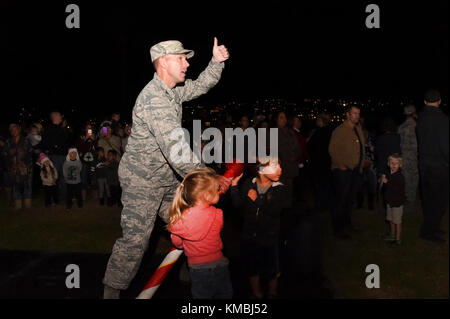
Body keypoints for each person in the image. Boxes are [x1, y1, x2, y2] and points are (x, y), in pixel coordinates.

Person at [103, 38, 230, 298]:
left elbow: (200, 85)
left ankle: (191, 267)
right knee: (136, 241)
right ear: (163, 62)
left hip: (166, 179)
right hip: (142, 182)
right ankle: (111, 291)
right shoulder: (154, 100)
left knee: (190, 221)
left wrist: (216, 62)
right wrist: (210, 178)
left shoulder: (171, 91)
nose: (187, 63)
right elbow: (178, 152)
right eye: (181, 58)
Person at [168, 168, 233, 299]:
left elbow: (178, 243)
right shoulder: (218, 214)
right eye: (216, 189)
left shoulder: (180, 221)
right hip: (220, 264)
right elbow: (217, 229)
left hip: (198, 269)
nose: (219, 191)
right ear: (207, 196)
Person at [230, 158, 286, 299]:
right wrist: (234, 186)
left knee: (272, 268)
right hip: (249, 236)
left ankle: (272, 293)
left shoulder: (279, 188)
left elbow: (275, 211)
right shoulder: (249, 184)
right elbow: (238, 205)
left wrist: (258, 200)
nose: (280, 170)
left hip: (269, 236)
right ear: (261, 170)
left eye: (280, 166)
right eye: (275, 167)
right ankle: (257, 294)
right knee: (252, 267)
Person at [416, 89, 449, 243]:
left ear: (424, 102)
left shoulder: (421, 118)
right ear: (440, 101)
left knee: (429, 200)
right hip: (438, 167)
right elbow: (445, 146)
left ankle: (432, 228)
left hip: (424, 166)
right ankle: (428, 232)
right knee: (439, 201)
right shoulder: (442, 119)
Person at [328, 105, 365, 239]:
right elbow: (332, 150)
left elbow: (360, 148)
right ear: (348, 115)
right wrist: (341, 165)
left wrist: (360, 165)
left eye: (358, 113)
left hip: (355, 170)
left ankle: (347, 224)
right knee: (341, 200)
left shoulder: (358, 129)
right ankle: (338, 229)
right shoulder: (340, 130)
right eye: (354, 113)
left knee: (350, 200)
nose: (357, 116)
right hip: (343, 171)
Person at [40, 110, 70, 202]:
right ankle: (53, 199)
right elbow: (45, 143)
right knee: (53, 177)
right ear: (56, 117)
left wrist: (65, 129)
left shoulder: (62, 129)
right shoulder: (49, 129)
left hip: (63, 156)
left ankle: (63, 198)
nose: (61, 117)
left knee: (64, 177)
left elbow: (68, 141)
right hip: (54, 157)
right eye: (60, 115)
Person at [3, 123, 33, 209]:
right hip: (13, 168)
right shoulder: (8, 142)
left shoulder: (26, 141)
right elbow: (4, 154)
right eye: (12, 130)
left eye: (15, 129)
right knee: (16, 186)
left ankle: (28, 205)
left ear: (19, 130)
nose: (14, 131)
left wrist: (24, 163)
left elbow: (30, 153)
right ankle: (18, 205)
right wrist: (11, 163)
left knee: (27, 185)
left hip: (26, 167)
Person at [307, 113, 333, 211]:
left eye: (318, 120)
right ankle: (326, 204)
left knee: (319, 185)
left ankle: (321, 205)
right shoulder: (331, 132)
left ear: (321, 121)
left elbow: (310, 147)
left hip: (318, 164)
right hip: (327, 163)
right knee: (326, 185)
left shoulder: (317, 133)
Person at [276, 111, 301, 207]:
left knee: (289, 191)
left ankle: (288, 210)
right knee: (279, 192)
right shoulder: (272, 132)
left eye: (285, 117)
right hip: (280, 169)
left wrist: (295, 156)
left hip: (290, 167)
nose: (284, 120)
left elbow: (298, 148)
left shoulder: (291, 132)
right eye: (281, 117)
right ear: (277, 119)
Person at [397, 105, 419, 212]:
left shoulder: (401, 127)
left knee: (405, 179)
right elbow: (417, 144)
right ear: (413, 113)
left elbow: (398, 143)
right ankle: (410, 201)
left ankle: (406, 199)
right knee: (413, 179)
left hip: (403, 157)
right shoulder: (416, 126)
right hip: (413, 157)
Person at [381, 154, 406, 245]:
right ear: (388, 164)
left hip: (397, 203)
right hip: (390, 202)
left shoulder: (400, 177)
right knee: (391, 220)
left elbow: (396, 189)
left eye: (396, 163)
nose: (394, 165)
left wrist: (387, 182)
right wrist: (382, 182)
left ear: (400, 165)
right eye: (392, 163)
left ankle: (398, 238)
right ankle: (392, 235)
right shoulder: (388, 174)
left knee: (397, 222)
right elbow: (386, 189)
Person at [75, 123, 98, 202]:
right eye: (87, 128)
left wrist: (93, 140)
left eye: (90, 128)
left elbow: (97, 149)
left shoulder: (94, 137)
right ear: (85, 129)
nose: (89, 130)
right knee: (83, 179)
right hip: (83, 162)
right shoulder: (81, 137)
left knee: (93, 178)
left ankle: (95, 198)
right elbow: (79, 148)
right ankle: (83, 198)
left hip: (92, 162)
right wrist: (85, 139)